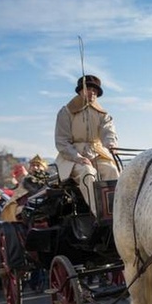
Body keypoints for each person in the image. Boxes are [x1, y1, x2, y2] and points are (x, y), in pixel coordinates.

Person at [55, 74, 119, 217]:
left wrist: (111, 145)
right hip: (71, 157)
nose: (92, 93)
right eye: (89, 89)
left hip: (97, 153)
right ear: (80, 91)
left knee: (112, 170)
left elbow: (108, 131)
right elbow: (61, 141)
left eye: (95, 91)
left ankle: (116, 210)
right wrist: (77, 157)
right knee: (88, 172)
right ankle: (100, 214)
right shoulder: (66, 112)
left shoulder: (102, 114)